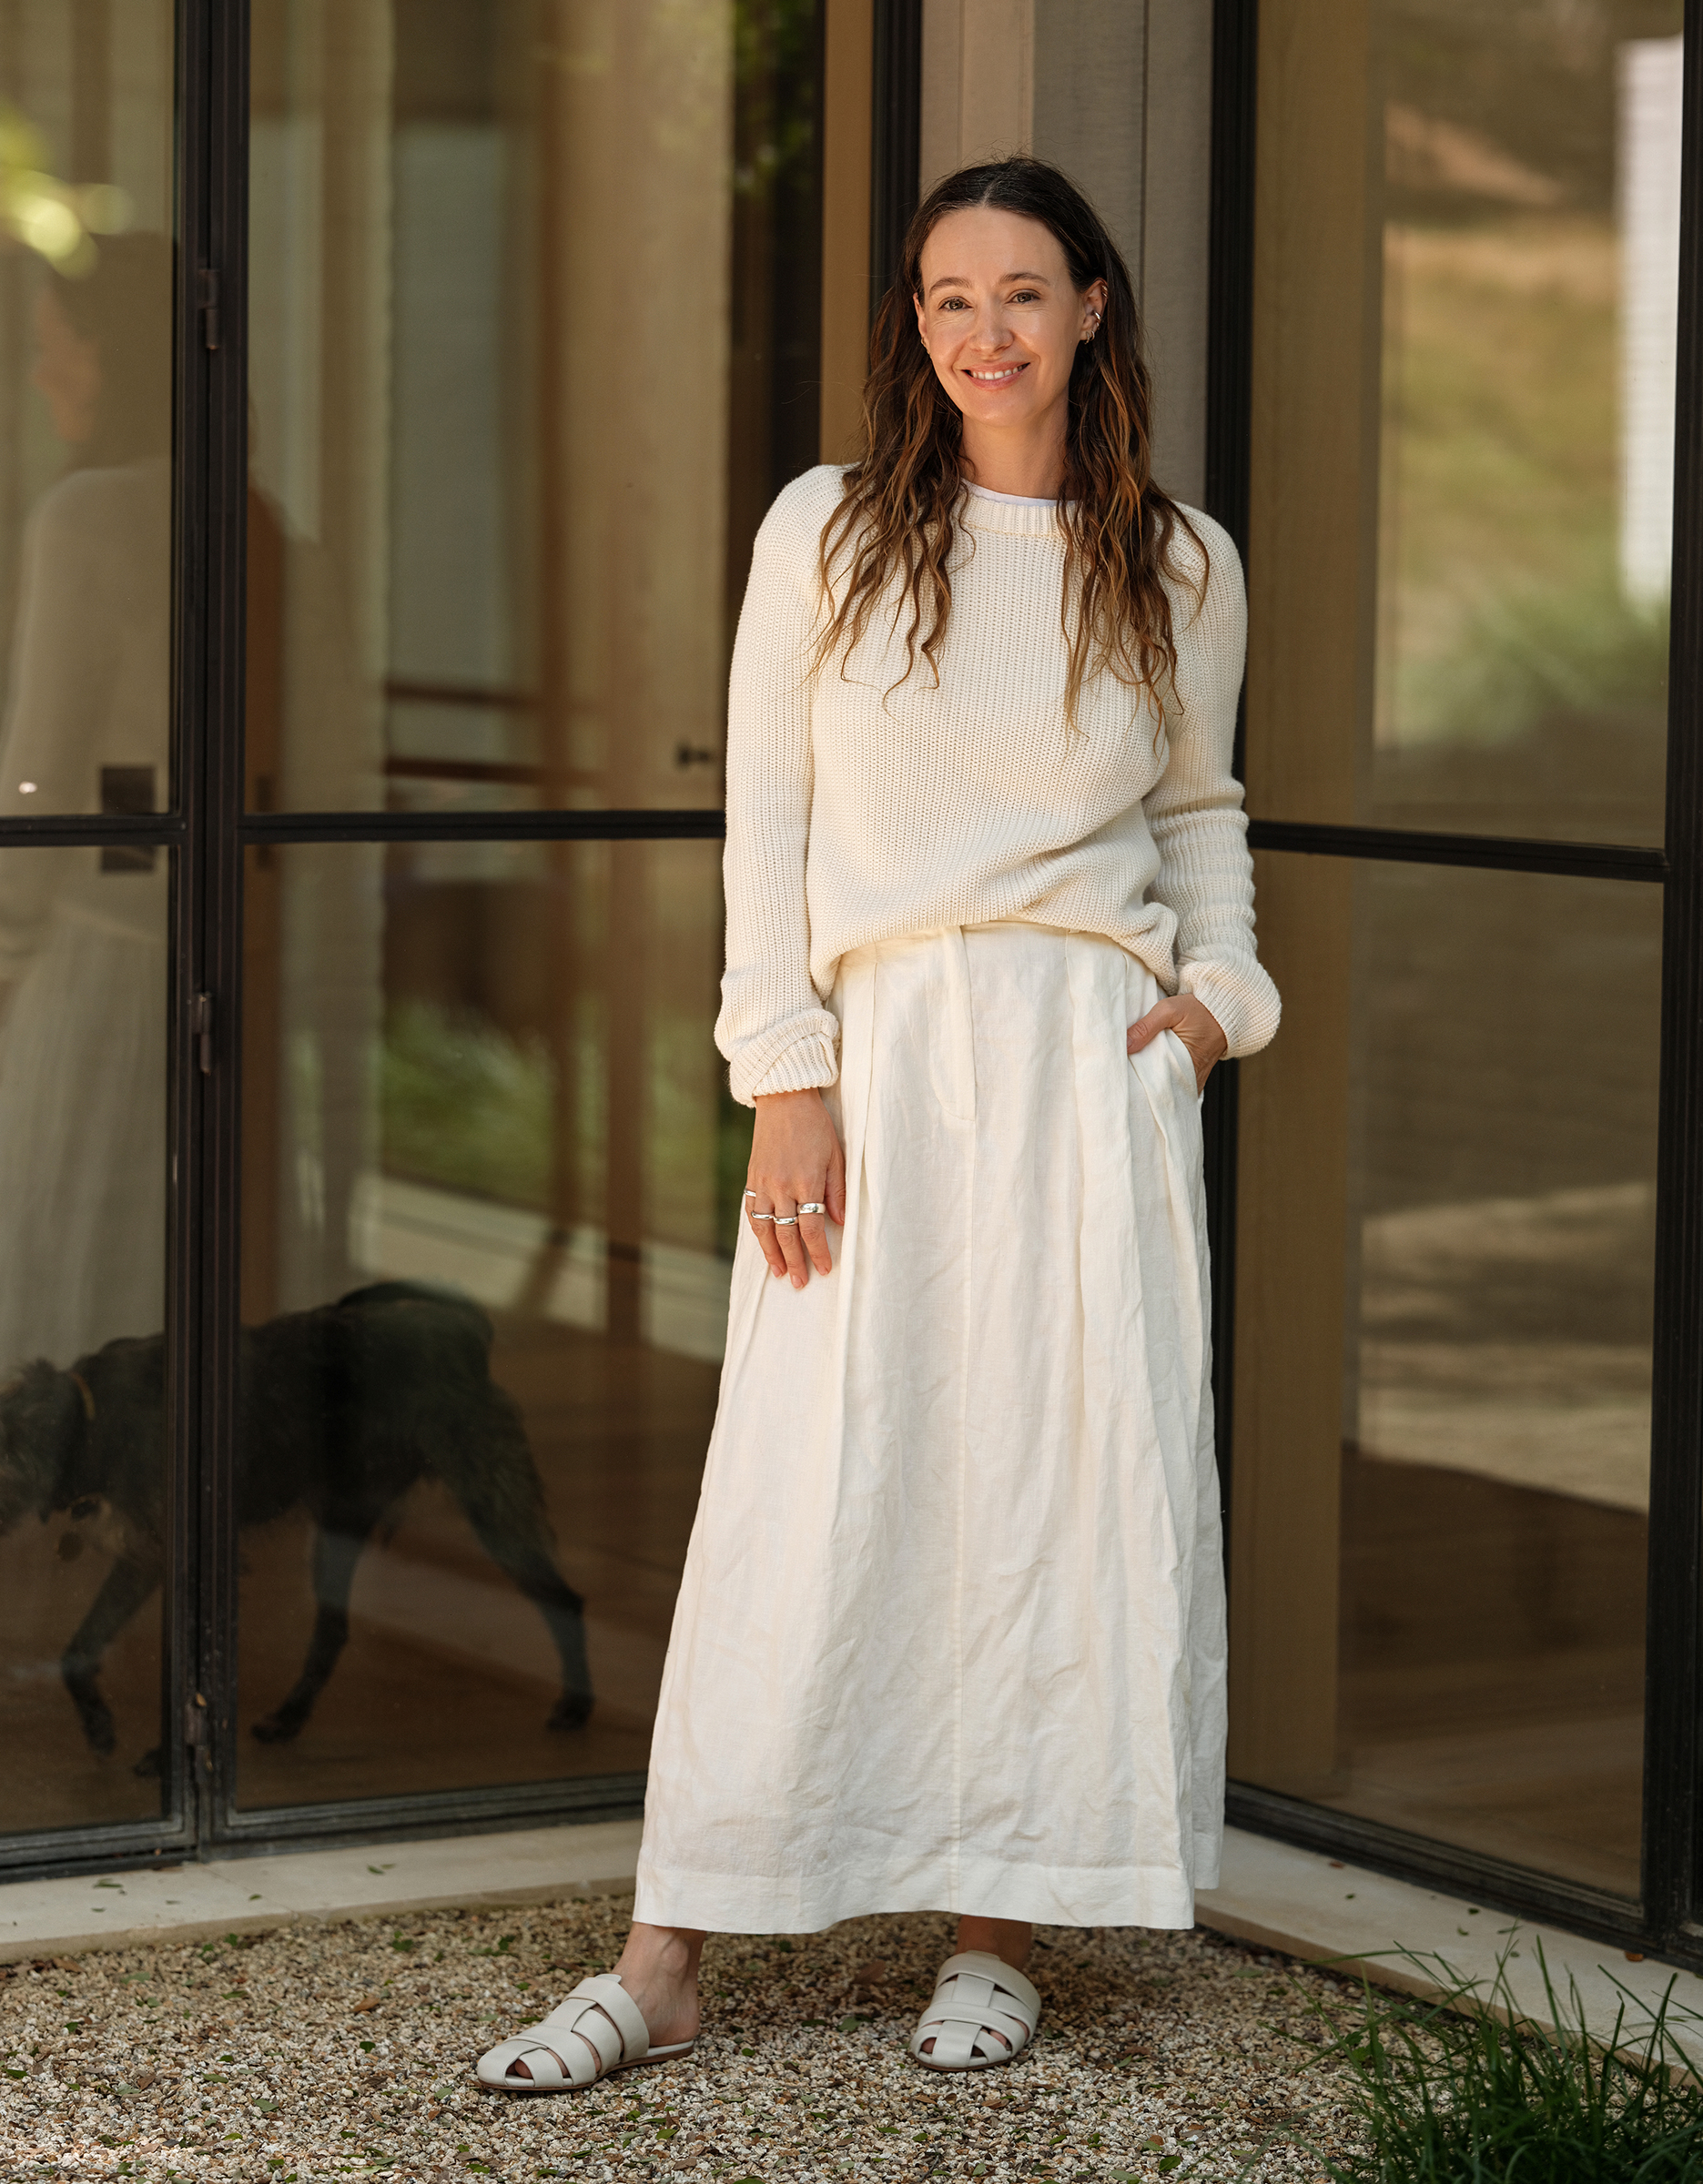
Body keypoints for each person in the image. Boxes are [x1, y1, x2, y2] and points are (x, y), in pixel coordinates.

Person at [475, 155, 1281, 2095]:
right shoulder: (830, 531)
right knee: (804, 1486)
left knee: (1045, 1494)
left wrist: (1203, 1015)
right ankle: (671, 1946)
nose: (984, 334)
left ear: (1093, 305)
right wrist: (788, 1081)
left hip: (1087, 1071)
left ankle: (994, 1925)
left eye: (1020, 293)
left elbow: (1198, 820)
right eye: (945, 300)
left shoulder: (1175, 560)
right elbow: (766, 819)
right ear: (910, 331)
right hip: (881, 1054)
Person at [0, 236, 174, 1412]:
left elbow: (42, 765)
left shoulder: (88, 517)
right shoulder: (254, 515)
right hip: (209, 950)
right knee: (148, 1268)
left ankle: (6, 1556)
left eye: (51, 350)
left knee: (41, 1259)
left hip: (85, 962)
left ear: (109, 356)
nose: (40, 377)